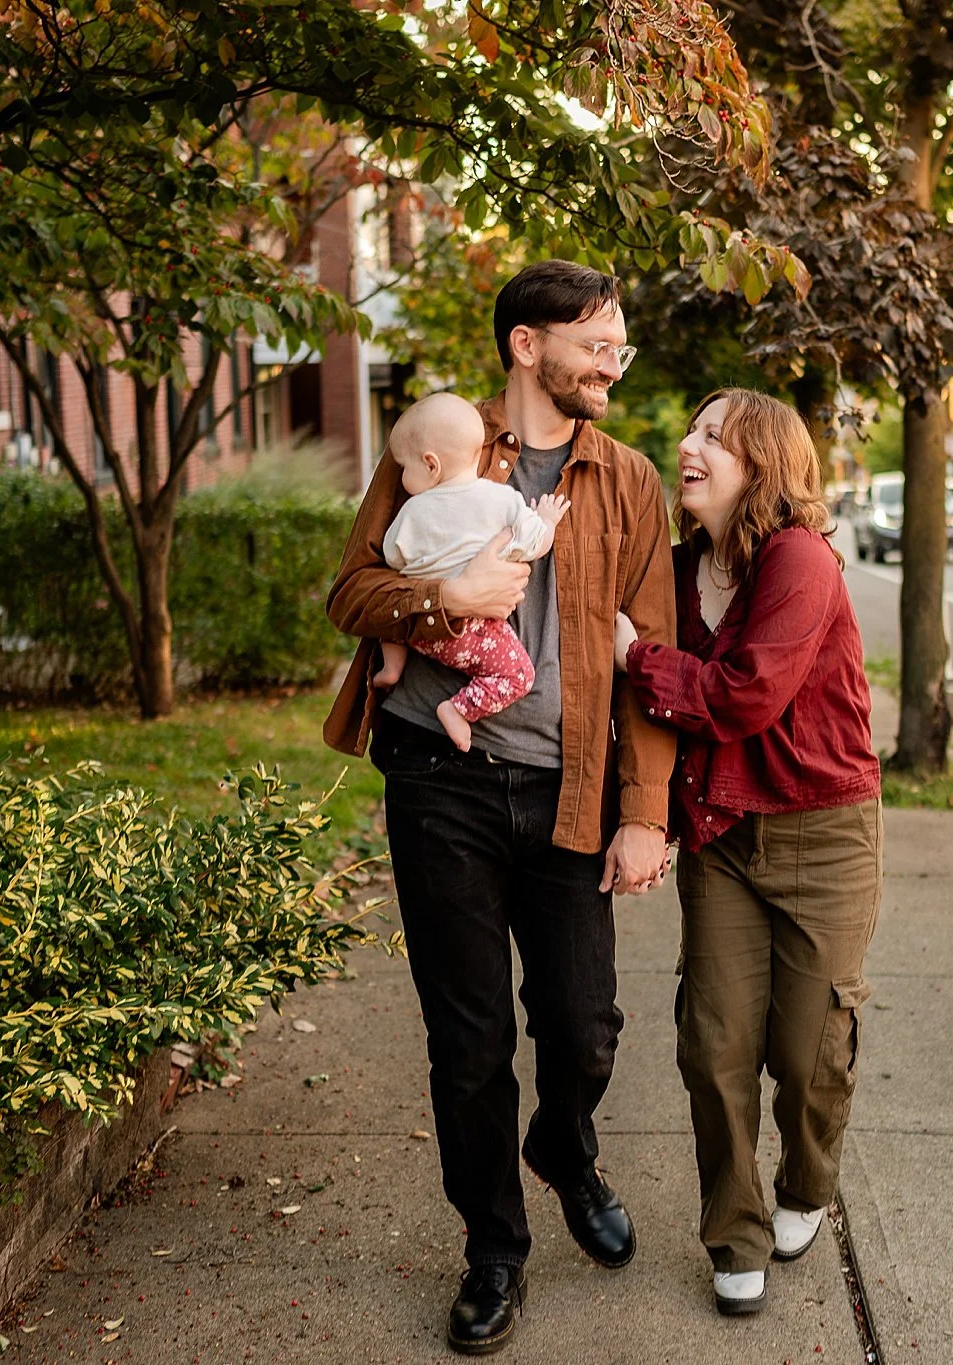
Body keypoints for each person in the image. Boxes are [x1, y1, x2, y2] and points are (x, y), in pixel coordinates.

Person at [323, 260, 676, 1356]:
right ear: (528, 346)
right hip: (440, 780)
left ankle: (563, 1151)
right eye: (597, 343)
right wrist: (442, 597)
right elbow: (351, 592)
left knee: (582, 1025)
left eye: (618, 344)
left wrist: (644, 810)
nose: (613, 361)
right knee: (466, 1037)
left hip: (570, 790)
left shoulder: (625, 480)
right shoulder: (433, 447)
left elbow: (650, 658)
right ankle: (495, 1247)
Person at [612, 389, 883, 1317]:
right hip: (721, 830)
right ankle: (736, 1229)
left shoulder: (799, 559)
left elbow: (744, 696)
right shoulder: (682, 570)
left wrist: (636, 660)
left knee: (811, 1050)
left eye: (713, 436)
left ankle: (808, 1181)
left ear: (760, 462)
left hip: (822, 827)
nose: (687, 444)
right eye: (689, 427)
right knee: (714, 1041)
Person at [368, 391, 571, 753]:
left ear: (431, 465)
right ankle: (459, 709)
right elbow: (535, 544)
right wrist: (548, 520)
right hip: (471, 634)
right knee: (519, 675)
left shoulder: (412, 511)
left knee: (401, 593)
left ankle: (392, 666)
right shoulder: (500, 500)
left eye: (404, 468)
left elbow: (391, 557)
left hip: (420, 628)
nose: (402, 478)